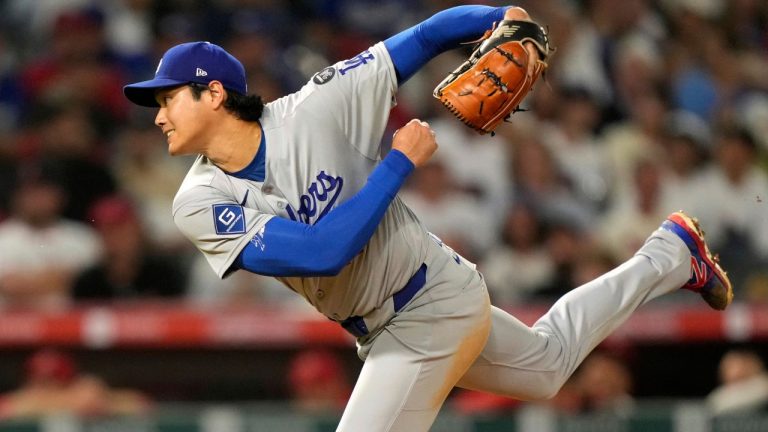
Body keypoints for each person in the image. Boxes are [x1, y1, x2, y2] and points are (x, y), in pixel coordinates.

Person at [123, 5, 733, 431]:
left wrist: (503, 17)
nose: (158, 115)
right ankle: (671, 255)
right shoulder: (195, 201)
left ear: (215, 93)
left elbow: (430, 33)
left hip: (426, 303)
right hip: (395, 318)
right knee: (547, 366)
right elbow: (319, 253)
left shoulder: (315, 108)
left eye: (168, 97)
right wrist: (397, 165)